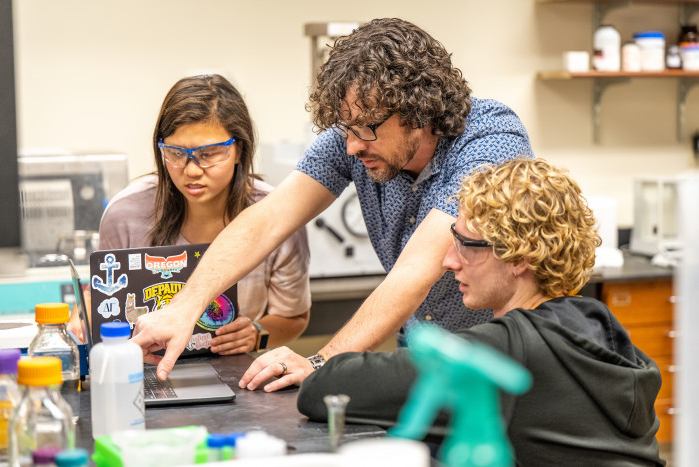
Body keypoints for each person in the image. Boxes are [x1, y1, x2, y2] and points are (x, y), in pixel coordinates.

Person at [131, 18, 533, 383]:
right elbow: (269, 218)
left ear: (418, 110)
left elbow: (417, 268)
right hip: (424, 355)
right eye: (346, 128)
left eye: (366, 129)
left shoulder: (489, 140)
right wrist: (184, 307)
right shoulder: (354, 138)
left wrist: (321, 364)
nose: (353, 145)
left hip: (503, 359)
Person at [297, 158, 665, 466]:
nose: (448, 260)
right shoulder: (599, 327)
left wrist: (316, 362)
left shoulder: (510, 353)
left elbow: (326, 390)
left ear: (521, 258)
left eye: (465, 245)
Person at [85, 74, 311, 354]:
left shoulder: (276, 215)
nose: (191, 169)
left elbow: (294, 317)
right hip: (141, 368)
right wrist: (82, 314)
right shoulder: (126, 213)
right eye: (176, 153)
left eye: (210, 153)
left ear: (239, 150)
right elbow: (99, 303)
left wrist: (257, 333)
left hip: (234, 373)